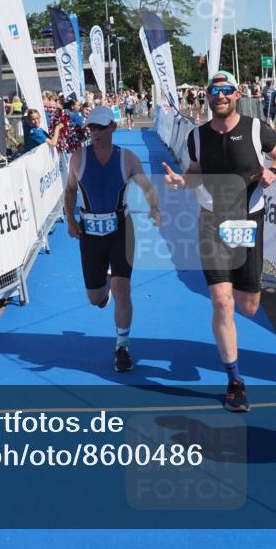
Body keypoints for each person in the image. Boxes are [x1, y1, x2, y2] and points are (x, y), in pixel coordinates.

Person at [162, 71, 276, 412]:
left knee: (248, 305)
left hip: (247, 219)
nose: (219, 95)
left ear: (236, 94)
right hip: (211, 220)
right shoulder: (197, 135)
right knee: (222, 301)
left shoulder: (255, 128)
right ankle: (234, 380)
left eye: (226, 90)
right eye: (213, 90)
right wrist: (181, 181)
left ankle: (236, 298)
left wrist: (272, 172)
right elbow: (195, 172)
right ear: (206, 96)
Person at [63, 105, 161, 372]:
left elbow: (147, 187)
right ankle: (102, 286)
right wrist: (71, 221)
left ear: (113, 127)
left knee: (122, 289)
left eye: (100, 127)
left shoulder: (127, 158)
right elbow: (70, 191)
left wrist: (154, 208)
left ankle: (122, 347)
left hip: (121, 230)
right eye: (91, 127)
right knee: (96, 298)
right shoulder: (78, 158)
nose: (95, 132)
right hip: (90, 234)